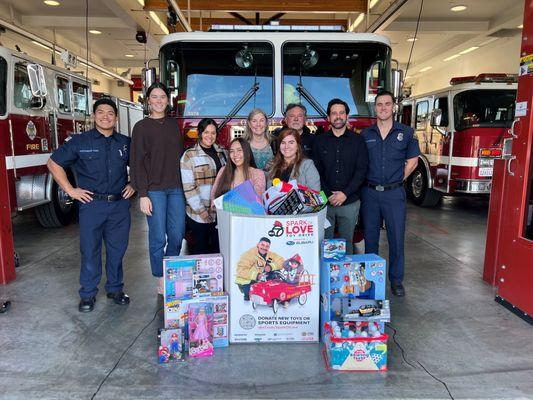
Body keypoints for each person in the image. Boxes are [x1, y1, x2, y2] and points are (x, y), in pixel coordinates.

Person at [47, 98, 135, 312]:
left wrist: (135, 183)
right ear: (94, 115)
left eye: (110, 113)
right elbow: (53, 163)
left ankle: (115, 289)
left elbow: (141, 166)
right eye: (101, 112)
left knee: (117, 250)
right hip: (92, 206)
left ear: (116, 117)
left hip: (119, 206)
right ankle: (88, 293)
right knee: (90, 250)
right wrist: (70, 190)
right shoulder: (79, 141)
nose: (106, 117)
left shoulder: (125, 142)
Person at [361, 90, 420, 297]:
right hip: (369, 193)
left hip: (394, 195)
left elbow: (413, 161)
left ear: (393, 107)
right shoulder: (366, 134)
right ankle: (369, 280)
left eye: (387, 104)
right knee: (370, 239)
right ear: (375, 107)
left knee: (396, 238)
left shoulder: (406, 132)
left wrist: (397, 179)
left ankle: (396, 281)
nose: (383, 108)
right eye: (379, 104)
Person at [130, 82, 185, 295]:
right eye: (155, 97)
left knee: (177, 233)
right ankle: (160, 276)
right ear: (148, 100)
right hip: (154, 190)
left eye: (163, 96)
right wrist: (142, 194)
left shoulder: (173, 125)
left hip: (176, 189)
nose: (159, 100)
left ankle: (169, 269)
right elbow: (137, 163)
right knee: (157, 237)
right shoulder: (141, 127)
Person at [313, 98, 368, 255]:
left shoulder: (358, 141)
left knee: (347, 243)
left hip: (350, 201)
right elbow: (316, 172)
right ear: (328, 117)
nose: (338, 116)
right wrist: (328, 194)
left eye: (341, 113)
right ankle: (326, 278)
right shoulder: (319, 141)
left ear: (347, 116)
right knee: (325, 243)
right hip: (325, 202)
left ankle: (346, 278)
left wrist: (345, 193)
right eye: (334, 113)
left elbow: (361, 171)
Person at [181, 118, 227, 254]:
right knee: (201, 252)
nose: (210, 136)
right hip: (199, 215)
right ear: (200, 133)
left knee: (218, 251)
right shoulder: (189, 156)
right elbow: (189, 187)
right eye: (206, 132)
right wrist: (201, 211)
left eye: (213, 133)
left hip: (219, 212)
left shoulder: (223, 153)